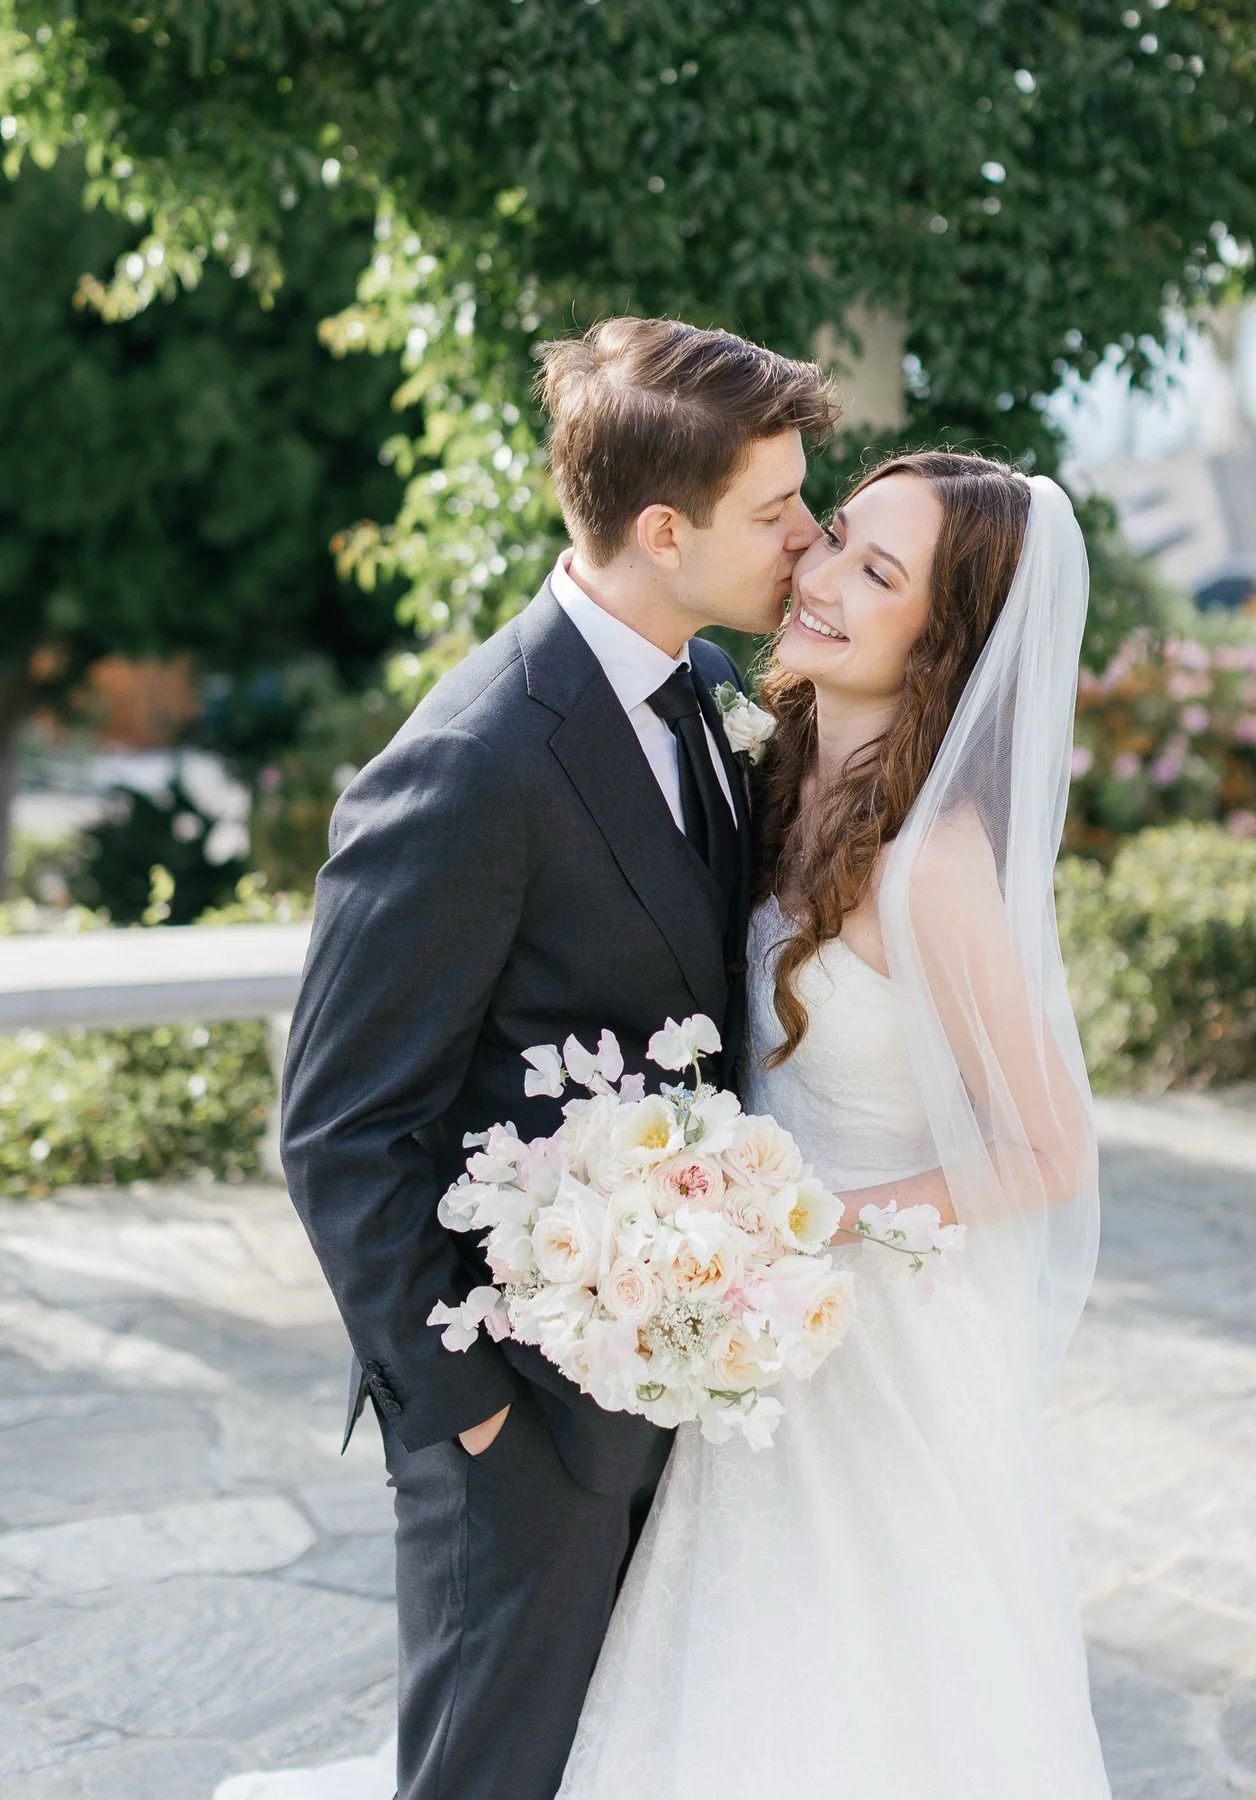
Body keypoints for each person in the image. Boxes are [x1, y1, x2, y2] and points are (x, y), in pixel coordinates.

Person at [275, 317, 839, 1800]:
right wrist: (465, 1408)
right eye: (776, 510)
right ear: (666, 529)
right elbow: (340, 1128)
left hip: (668, 1377)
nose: (808, 536)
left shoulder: (698, 696)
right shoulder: (473, 763)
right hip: (518, 1411)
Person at [558, 452, 1113, 1797]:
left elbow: (1048, 1153)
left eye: (879, 574)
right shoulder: (773, 767)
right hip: (764, 1310)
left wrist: (802, 1232)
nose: (817, 577)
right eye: (836, 539)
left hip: (875, 1338)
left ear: (947, 642)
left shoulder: (936, 871)